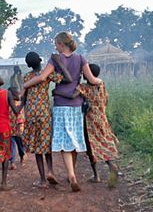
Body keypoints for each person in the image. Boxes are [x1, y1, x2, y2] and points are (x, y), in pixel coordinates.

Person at [23, 32, 101, 192]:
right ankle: (71, 173)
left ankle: (71, 174)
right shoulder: (81, 58)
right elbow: (92, 80)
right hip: (76, 105)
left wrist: (25, 86)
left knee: (65, 140)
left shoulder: (54, 60)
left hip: (60, 105)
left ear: (60, 44)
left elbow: (42, 77)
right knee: (73, 138)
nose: (55, 47)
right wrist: (100, 81)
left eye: (56, 44)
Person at [53, 63, 119, 188]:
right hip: (102, 118)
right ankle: (110, 165)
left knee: (91, 147)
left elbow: (72, 95)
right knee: (103, 143)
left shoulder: (84, 87)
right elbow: (106, 99)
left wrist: (58, 93)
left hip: (90, 120)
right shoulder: (101, 84)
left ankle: (96, 176)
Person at [22, 51, 72, 188]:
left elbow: (24, 98)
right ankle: (51, 171)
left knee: (37, 147)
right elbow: (68, 79)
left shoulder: (26, 76)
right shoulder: (47, 74)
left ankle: (43, 180)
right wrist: (58, 63)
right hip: (44, 112)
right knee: (46, 143)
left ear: (28, 65)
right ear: (40, 60)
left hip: (31, 113)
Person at [8, 86, 27, 170]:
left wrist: (19, 130)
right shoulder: (8, 104)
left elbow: (21, 118)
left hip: (18, 129)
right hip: (11, 129)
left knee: (20, 145)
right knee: (12, 146)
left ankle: (21, 157)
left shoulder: (18, 104)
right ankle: (12, 162)